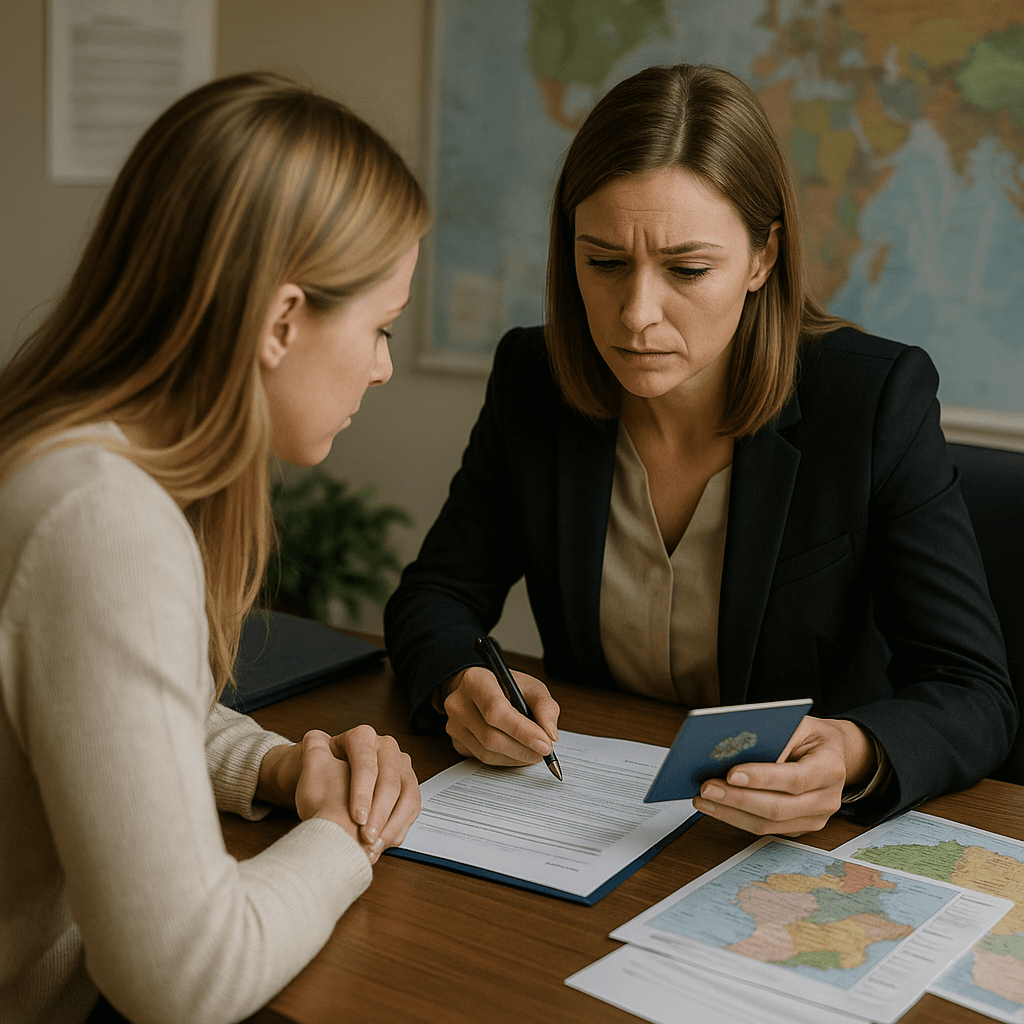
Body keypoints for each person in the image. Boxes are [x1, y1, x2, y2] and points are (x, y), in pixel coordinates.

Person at [385, 63, 1017, 837]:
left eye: (687, 268)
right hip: (589, 817)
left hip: (790, 845)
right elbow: (435, 597)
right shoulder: (533, 379)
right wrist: (463, 679)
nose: (636, 314)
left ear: (762, 258)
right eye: (604, 263)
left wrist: (853, 750)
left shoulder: (872, 402)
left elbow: (975, 691)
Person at [0, 72, 429, 1024]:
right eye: (380, 326)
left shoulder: (71, 460)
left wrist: (279, 768)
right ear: (282, 322)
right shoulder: (103, 519)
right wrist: (341, 838)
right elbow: (184, 982)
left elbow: (106, 714)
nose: (383, 365)